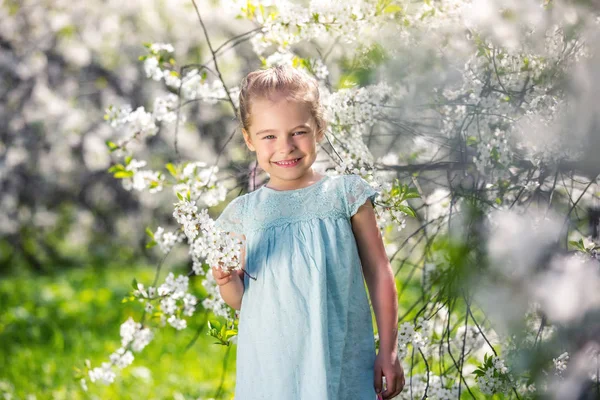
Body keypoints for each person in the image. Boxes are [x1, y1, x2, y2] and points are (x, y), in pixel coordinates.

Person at [211, 65, 404, 400]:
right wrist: (227, 281)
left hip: (339, 360)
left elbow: (378, 272)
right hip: (272, 369)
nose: (285, 147)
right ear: (248, 137)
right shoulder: (243, 214)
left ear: (319, 128)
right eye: (269, 136)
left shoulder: (346, 196)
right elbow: (245, 302)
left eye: (297, 132)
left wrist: (388, 350)